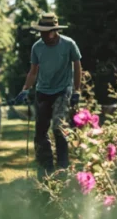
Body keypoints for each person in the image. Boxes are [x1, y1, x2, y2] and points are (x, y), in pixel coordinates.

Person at [13, 12, 83, 177]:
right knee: (40, 133)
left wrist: (76, 90)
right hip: (42, 92)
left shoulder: (69, 44)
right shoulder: (37, 47)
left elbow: (77, 66)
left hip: (62, 90)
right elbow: (33, 72)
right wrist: (25, 89)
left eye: (47, 32)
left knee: (59, 127)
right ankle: (46, 169)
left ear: (55, 30)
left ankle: (63, 168)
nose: (44, 35)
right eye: (41, 32)